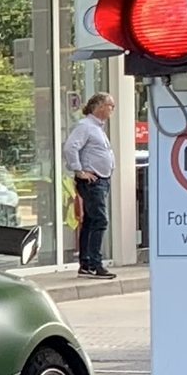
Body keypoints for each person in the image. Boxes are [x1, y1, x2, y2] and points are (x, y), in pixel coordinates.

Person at [63, 90, 118, 279]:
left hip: (100, 178)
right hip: (92, 180)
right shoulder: (85, 126)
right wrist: (79, 170)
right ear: (99, 106)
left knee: (91, 221)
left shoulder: (96, 128)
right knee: (100, 220)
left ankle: (86, 263)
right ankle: (95, 263)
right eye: (110, 105)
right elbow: (71, 147)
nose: (112, 109)